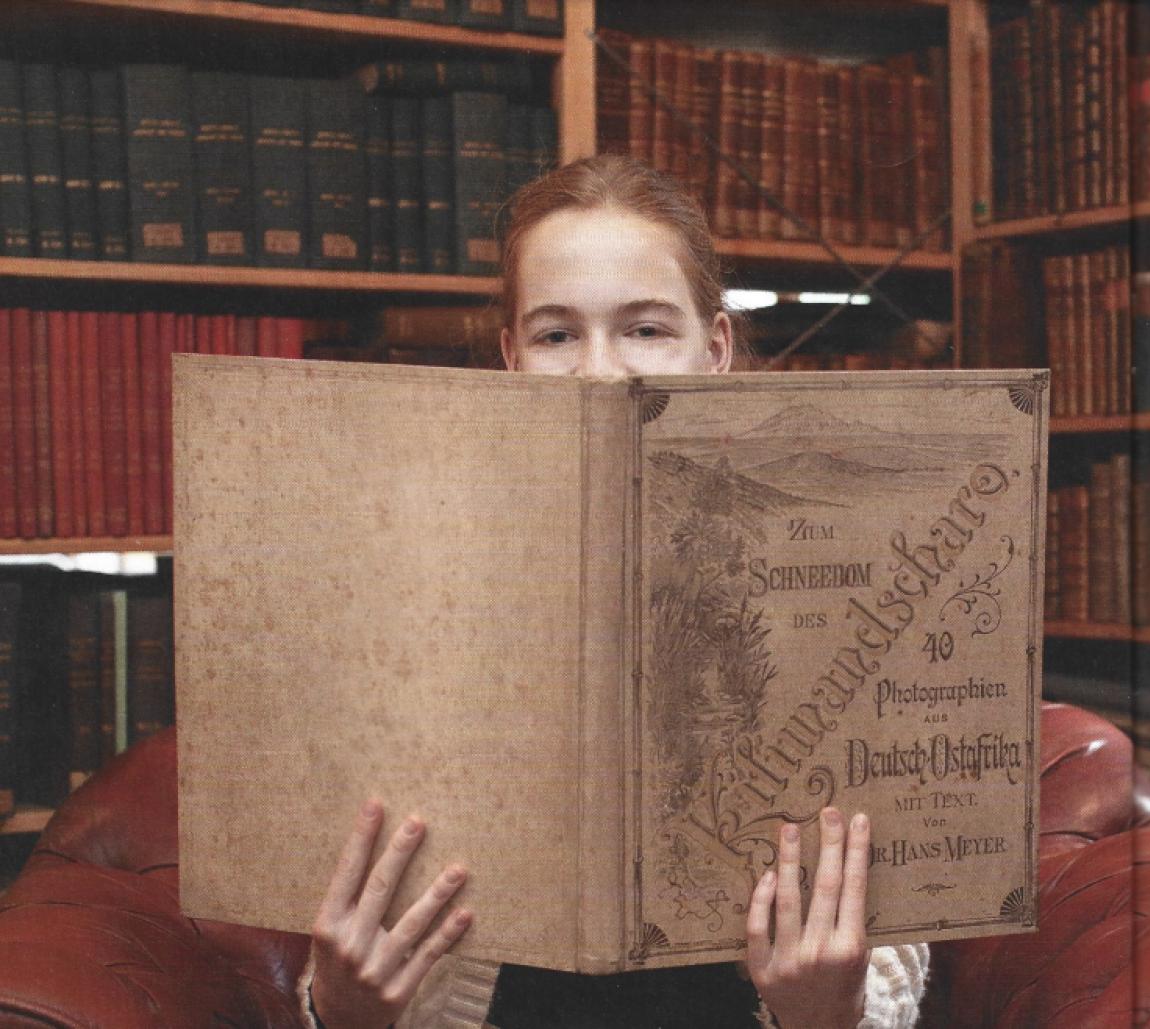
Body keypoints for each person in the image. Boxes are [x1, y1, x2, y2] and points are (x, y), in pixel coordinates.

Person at [297, 155, 930, 1029]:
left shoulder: (841, 562)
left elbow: (894, 898)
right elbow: (356, 903)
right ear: (512, 357)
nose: (602, 371)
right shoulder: (409, 577)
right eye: (558, 335)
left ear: (713, 349)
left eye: (644, 329)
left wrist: (831, 1015)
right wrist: (341, 1009)